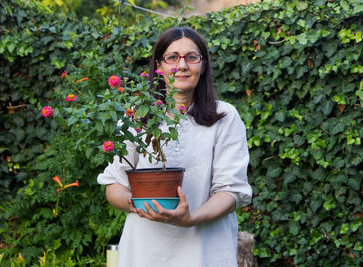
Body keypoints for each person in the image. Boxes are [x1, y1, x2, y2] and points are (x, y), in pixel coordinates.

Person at [97, 27, 252, 267]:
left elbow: (230, 190)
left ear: (203, 65)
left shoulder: (224, 117)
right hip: (145, 253)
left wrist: (190, 218)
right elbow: (113, 184)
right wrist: (138, 204)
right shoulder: (136, 117)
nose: (181, 66)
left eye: (191, 57)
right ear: (159, 65)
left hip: (206, 252)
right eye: (172, 57)